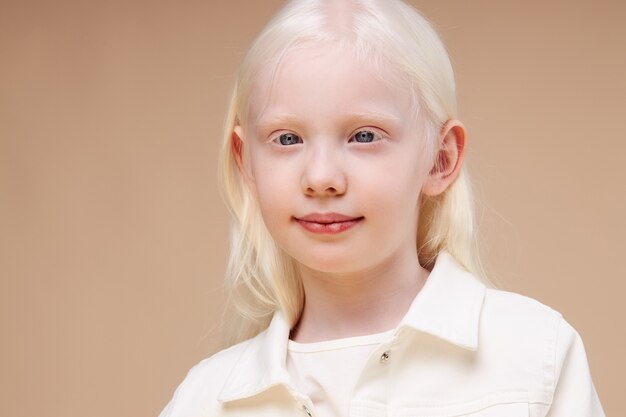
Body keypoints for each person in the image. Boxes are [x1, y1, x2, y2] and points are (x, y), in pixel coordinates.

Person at [159, 0, 605, 416]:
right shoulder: (204, 400)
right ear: (246, 163)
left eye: (364, 136)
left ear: (441, 158)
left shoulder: (537, 357)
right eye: (288, 139)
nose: (321, 178)